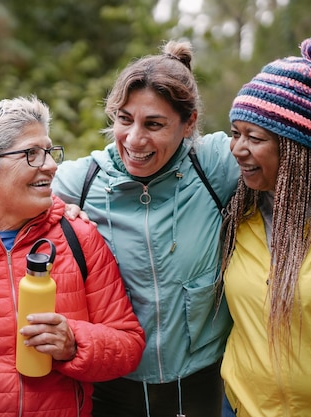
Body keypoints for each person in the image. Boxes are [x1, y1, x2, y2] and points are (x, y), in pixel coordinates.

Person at [0, 96, 146, 417]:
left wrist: (74, 343)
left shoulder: (78, 236)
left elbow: (128, 344)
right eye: (31, 154)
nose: (51, 165)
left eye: (49, 151)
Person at [52, 40, 239, 417]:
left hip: (203, 382)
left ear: (189, 124)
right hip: (113, 384)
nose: (134, 139)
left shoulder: (215, 166)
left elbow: (299, 153)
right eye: (124, 119)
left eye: (154, 124)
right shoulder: (82, 182)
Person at [219, 36, 311, 417]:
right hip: (240, 407)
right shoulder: (241, 209)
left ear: (296, 149)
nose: (238, 149)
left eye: (255, 137)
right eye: (236, 133)